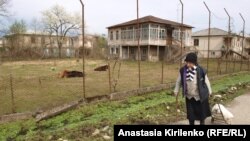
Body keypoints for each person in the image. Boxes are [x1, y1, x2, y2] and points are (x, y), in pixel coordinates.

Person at [174, 52, 212, 125]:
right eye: (187, 62)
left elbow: (206, 81)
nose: (188, 64)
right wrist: (176, 90)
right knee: (191, 117)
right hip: (189, 97)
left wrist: (210, 91)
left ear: (194, 62)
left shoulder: (201, 70)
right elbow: (178, 81)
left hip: (200, 96)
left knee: (202, 117)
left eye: (190, 63)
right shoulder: (183, 70)